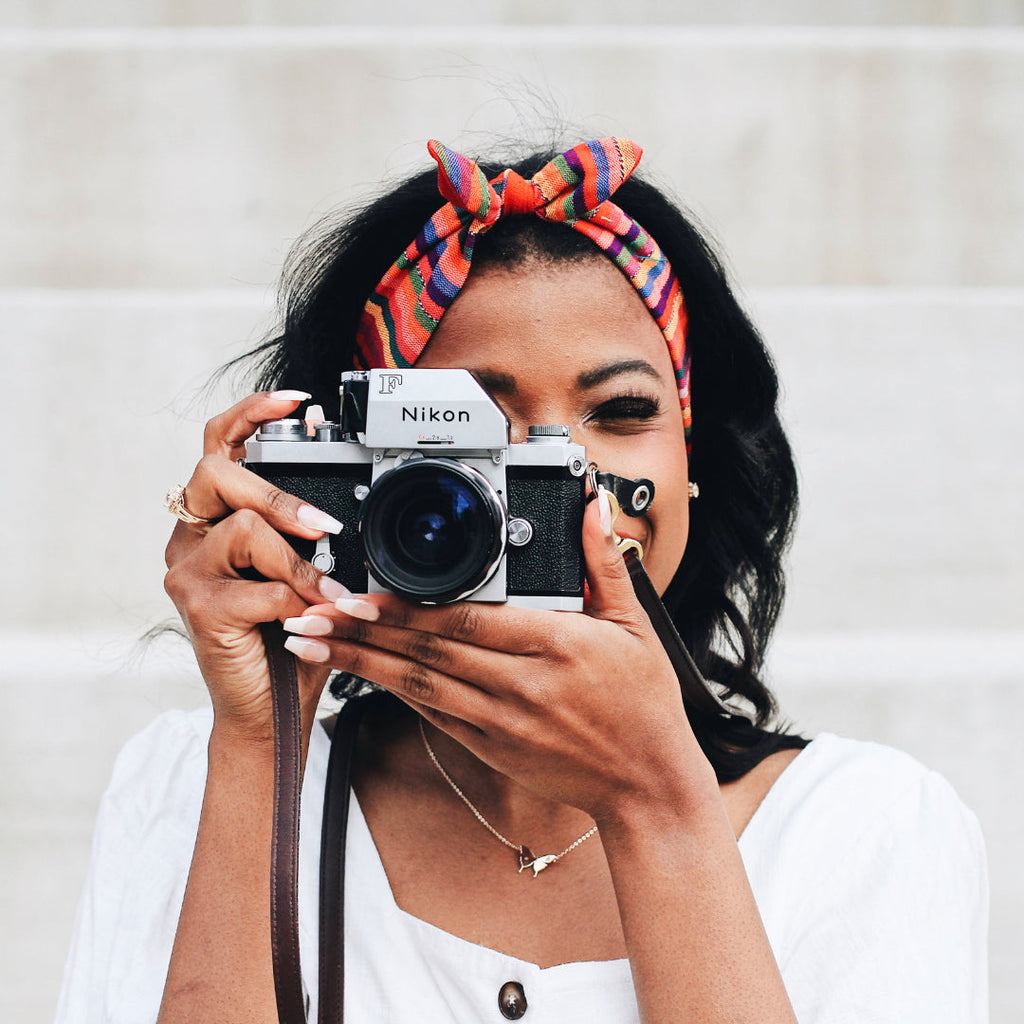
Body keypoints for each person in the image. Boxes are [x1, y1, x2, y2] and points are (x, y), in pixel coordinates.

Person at [56, 138, 987, 1024]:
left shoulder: (869, 826)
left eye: (620, 411)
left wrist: (655, 801)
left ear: (696, 462)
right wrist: (264, 745)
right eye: (471, 430)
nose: (569, 482)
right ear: (347, 480)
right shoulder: (192, 784)